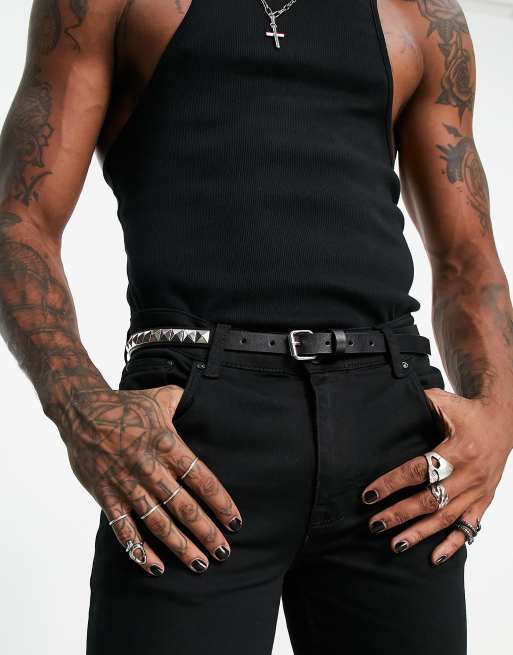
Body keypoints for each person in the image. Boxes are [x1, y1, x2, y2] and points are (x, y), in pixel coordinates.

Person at [0, 1, 511, 653]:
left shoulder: (420, 15)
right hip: (193, 435)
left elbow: (467, 255)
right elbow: (19, 222)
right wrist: (82, 410)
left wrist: (498, 417)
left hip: (393, 435)